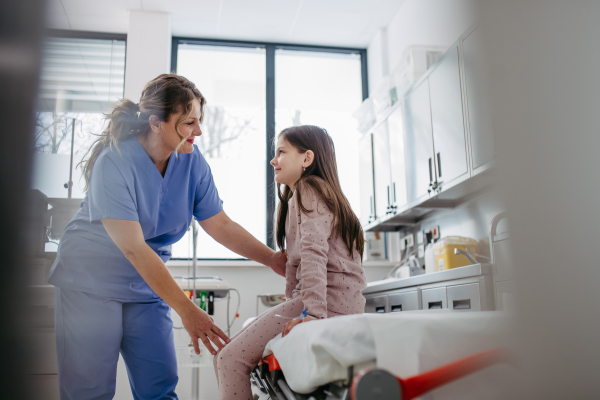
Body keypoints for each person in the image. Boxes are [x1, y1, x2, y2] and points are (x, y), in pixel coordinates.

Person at [46, 73, 286, 400]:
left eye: (199, 121)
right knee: (89, 390)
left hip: (145, 285)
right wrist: (188, 311)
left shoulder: (192, 161)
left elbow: (220, 224)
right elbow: (133, 248)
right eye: (189, 122)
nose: (198, 131)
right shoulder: (114, 163)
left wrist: (271, 258)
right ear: (157, 123)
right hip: (90, 280)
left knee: (159, 388)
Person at [213, 125, 367, 400]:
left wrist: (313, 316)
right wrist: (294, 306)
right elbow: (296, 265)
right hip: (325, 301)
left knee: (229, 360)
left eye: (281, 152)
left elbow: (313, 255)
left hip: (327, 304)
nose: (273, 160)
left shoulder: (310, 188)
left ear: (306, 159)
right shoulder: (300, 196)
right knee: (224, 358)